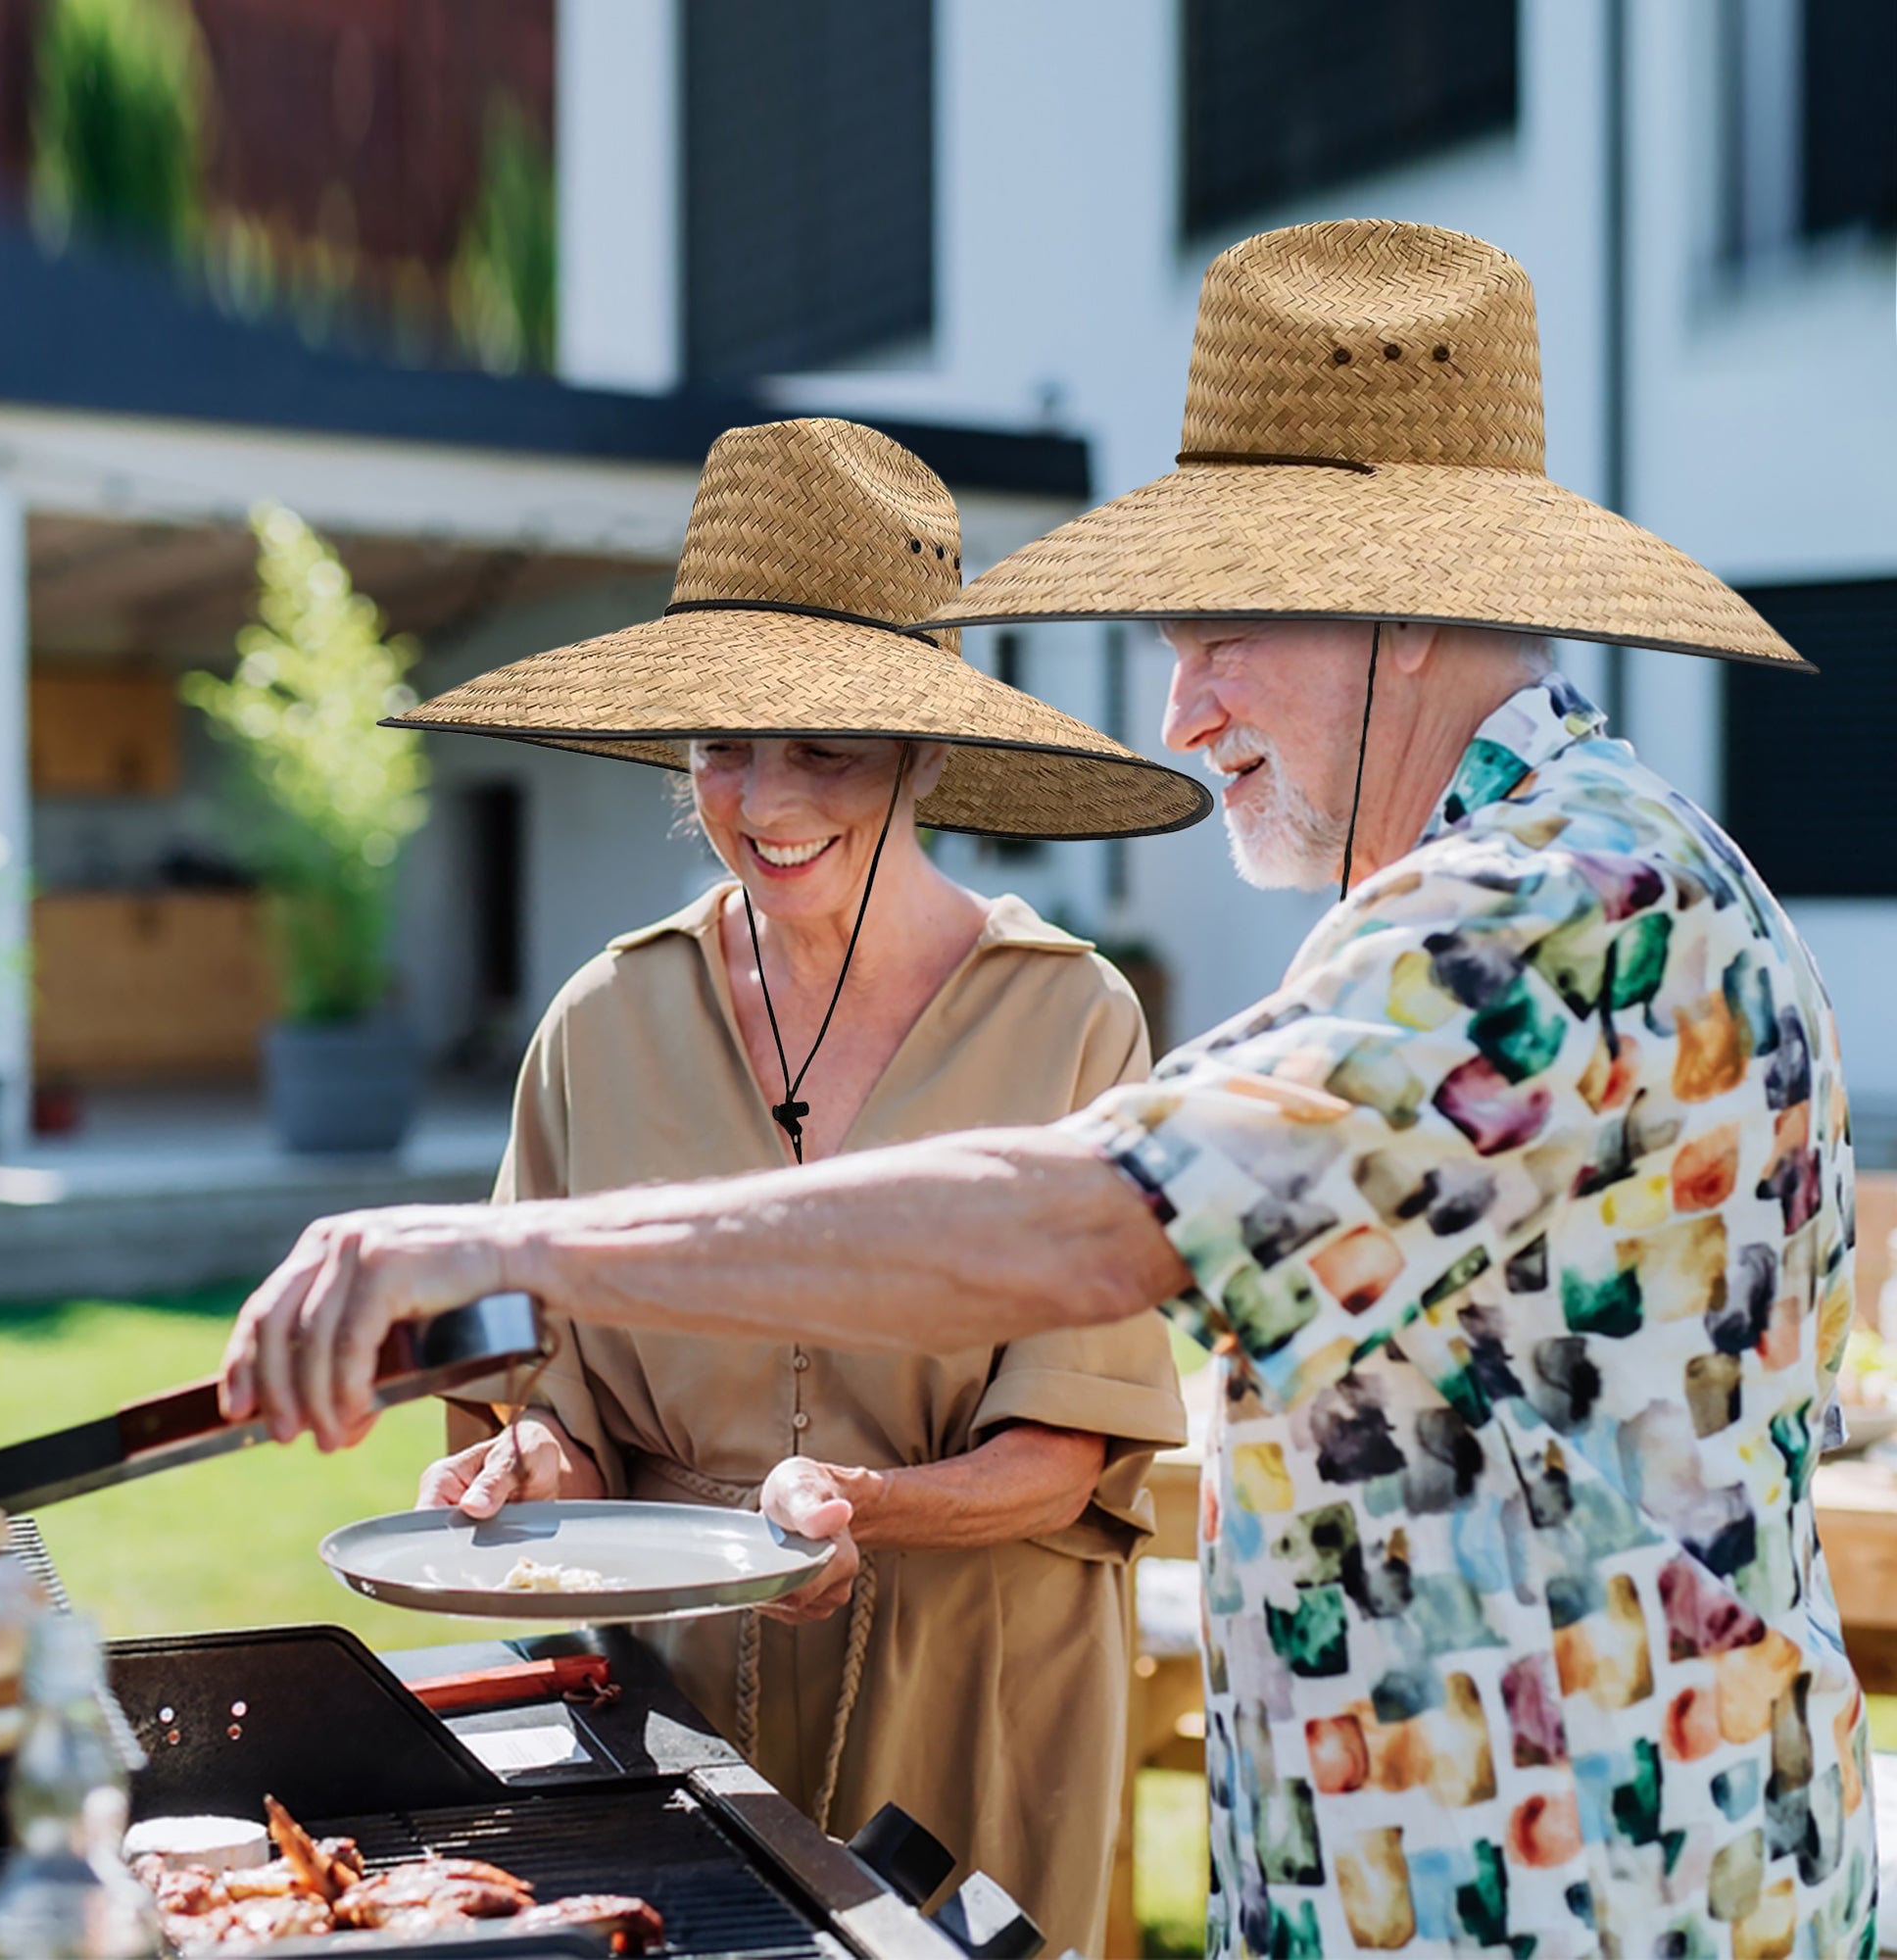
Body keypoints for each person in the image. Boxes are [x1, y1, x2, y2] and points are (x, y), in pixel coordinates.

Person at [222, 224, 1873, 1958]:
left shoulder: (1549, 907)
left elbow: (1096, 1222)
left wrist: (511, 1250)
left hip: (1595, 1907)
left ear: (1401, 606)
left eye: (1221, 634)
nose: (1184, 710)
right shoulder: (1539, 877)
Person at [381, 416, 1203, 1955]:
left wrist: (865, 1508)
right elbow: (542, 1401)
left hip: (982, 1694)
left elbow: (1068, 1452)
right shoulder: (601, 1021)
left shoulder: (1072, 1018)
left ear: (926, 751)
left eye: (822, 744)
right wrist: (522, 1472)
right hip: (669, 1700)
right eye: (722, 746)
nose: (762, 800)